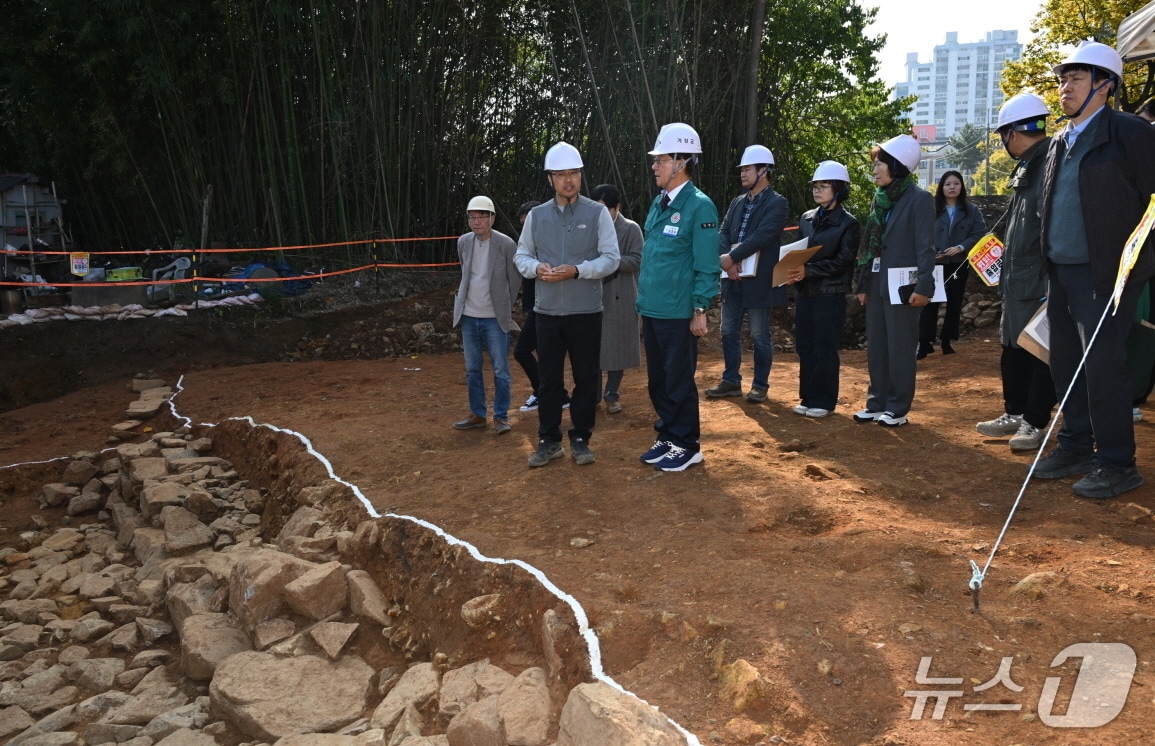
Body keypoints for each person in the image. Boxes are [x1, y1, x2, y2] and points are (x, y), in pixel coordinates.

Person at [1034, 40, 1155, 498]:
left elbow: (1154, 204)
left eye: (1076, 78)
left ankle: (1118, 461)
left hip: (1107, 274)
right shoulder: (1060, 141)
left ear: (1104, 86)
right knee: (1065, 363)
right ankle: (1076, 443)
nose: (1064, 87)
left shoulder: (1131, 134)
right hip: (1061, 272)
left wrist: (1137, 264)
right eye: (1062, 78)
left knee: (1104, 367)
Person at [514, 142, 620, 468]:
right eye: (560, 174)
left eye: (573, 173)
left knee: (586, 378)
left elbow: (611, 259)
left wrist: (578, 271)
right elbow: (522, 256)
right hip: (546, 313)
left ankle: (581, 437)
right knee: (548, 380)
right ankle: (548, 440)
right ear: (550, 179)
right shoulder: (536, 216)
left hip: (586, 313)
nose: (568, 180)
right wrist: (536, 269)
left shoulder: (598, 212)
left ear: (581, 175)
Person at [975, 93, 1057, 452]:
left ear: (1012, 133)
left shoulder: (1050, 163)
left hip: (1038, 280)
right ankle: (1014, 412)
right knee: (1012, 347)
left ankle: (1035, 421)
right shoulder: (1028, 164)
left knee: (1039, 350)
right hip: (1017, 278)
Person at [636, 122, 720, 471]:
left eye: (661, 160)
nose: (655, 166)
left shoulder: (700, 207)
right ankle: (668, 434)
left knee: (678, 379)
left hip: (678, 311)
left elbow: (706, 264)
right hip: (653, 309)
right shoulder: (659, 203)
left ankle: (687, 443)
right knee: (658, 380)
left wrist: (700, 308)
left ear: (682, 162)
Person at [853, 133, 936, 427]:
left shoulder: (920, 200)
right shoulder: (880, 199)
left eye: (880, 165)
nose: (874, 171)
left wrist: (924, 286)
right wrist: (863, 284)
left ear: (898, 166)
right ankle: (876, 402)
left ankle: (898, 407)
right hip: (877, 282)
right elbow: (869, 245)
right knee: (877, 344)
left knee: (900, 346)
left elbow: (925, 246)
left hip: (904, 284)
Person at [704, 145, 789, 403]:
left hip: (758, 280)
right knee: (728, 331)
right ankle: (731, 381)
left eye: (747, 169)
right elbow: (723, 232)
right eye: (741, 169)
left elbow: (764, 235)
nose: (742, 174)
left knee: (759, 334)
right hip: (732, 277)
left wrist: (733, 257)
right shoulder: (737, 202)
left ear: (764, 171)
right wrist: (726, 262)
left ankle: (760, 384)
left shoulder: (778, 203)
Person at [785, 160, 859, 418]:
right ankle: (807, 396)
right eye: (815, 186)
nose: (817, 191)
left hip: (831, 294)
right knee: (805, 345)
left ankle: (824, 401)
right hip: (805, 293)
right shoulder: (807, 218)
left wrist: (810, 271)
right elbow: (799, 251)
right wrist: (791, 270)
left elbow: (844, 261)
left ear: (838, 189)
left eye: (824, 186)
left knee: (825, 347)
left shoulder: (848, 223)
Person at [451, 196, 521, 435]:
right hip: (468, 316)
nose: (477, 221)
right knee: (472, 369)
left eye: (482, 216)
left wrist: (503, 305)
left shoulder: (506, 244)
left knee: (500, 369)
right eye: (472, 217)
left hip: (494, 318)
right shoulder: (463, 242)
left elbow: (515, 280)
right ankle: (478, 414)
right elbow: (465, 271)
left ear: (492, 218)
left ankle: (501, 416)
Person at [917, 170, 987, 358]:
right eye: (948, 184)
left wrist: (961, 247)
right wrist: (930, 252)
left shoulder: (971, 210)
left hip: (958, 263)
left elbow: (979, 232)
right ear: (942, 187)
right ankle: (924, 342)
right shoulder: (931, 207)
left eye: (956, 183)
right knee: (930, 301)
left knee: (953, 302)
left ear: (962, 186)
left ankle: (947, 341)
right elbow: (921, 231)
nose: (952, 187)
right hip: (935, 263)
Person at [511, 200, 569, 412]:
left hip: (547, 306)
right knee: (537, 353)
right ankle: (554, 394)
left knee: (525, 351)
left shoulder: (552, 245)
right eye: (523, 224)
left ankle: (547, 393)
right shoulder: (526, 246)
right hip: (534, 305)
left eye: (529, 222)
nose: (526, 227)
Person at [590, 183, 642, 414]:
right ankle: (592, 396)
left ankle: (612, 394)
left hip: (621, 293)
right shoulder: (588, 228)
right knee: (592, 348)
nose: (601, 214)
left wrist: (610, 261)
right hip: (592, 295)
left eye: (605, 209)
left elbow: (637, 260)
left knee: (617, 348)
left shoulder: (631, 229)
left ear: (616, 208)